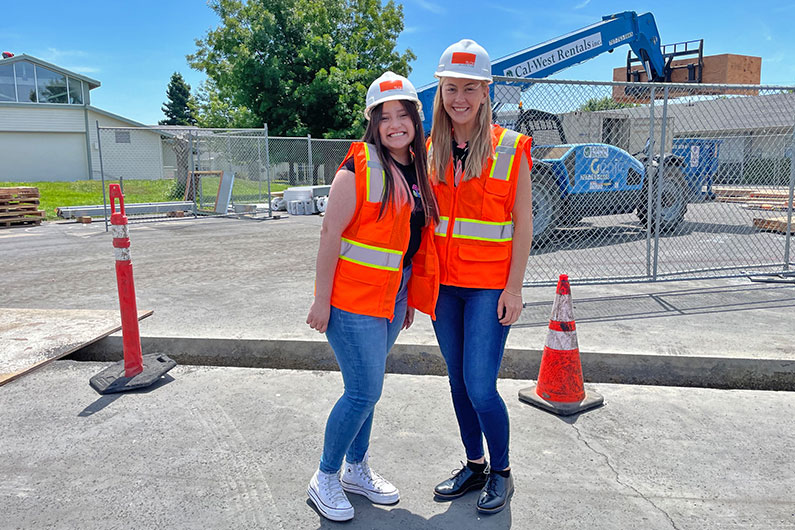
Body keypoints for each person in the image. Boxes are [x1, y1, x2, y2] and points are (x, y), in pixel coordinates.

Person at [305, 71, 439, 522]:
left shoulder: (416, 168)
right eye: (386, 118)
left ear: (416, 121)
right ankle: (325, 477)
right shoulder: (357, 166)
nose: (396, 124)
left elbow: (410, 240)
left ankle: (356, 470)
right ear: (373, 124)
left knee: (370, 391)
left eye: (404, 115)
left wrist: (404, 300)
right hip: (351, 301)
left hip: (390, 299)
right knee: (362, 391)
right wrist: (320, 300)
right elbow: (329, 235)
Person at [427, 39, 533, 515]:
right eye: (452, 87)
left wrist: (514, 287)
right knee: (457, 380)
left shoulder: (511, 149)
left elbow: (524, 224)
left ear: (487, 91)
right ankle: (474, 464)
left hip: (489, 288)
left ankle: (502, 472)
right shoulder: (430, 149)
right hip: (444, 289)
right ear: (441, 90)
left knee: (481, 384)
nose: (460, 98)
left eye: (471, 87)